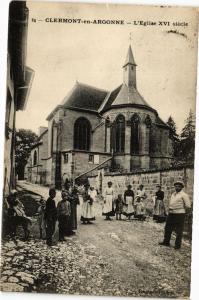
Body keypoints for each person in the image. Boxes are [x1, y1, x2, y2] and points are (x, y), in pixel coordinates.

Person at [159, 181, 191, 250]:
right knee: (167, 228)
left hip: (179, 214)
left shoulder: (184, 195)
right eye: (176, 186)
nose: (177, 187)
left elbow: (188, 206)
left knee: (179, 230)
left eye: (179, 186)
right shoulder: (173, 194)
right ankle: (166, 242)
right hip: (171, 213)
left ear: (182, 187)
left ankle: (177, 245)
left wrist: (184, 213)